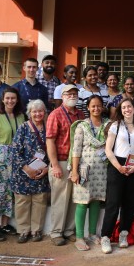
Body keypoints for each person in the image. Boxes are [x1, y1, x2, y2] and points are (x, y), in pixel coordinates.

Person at [69, 95, 110, 251]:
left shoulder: (107, 125)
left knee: (95, 201)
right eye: (93, 106)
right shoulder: (82, 126)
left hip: (101, 170)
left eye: (99, 105)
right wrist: (74, 171)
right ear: (87, 107)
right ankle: (79, 237)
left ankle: (92, 234)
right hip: (85, 169)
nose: (96, 108)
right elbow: (76, 149)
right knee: (82, 202)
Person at [102, 98, 134, 254]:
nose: (127, 109)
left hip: (133, 165)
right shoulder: (115, 125)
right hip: (116, 165)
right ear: (120, 109)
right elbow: (108, 150)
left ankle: (123, 234)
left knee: (130, 202)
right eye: (124, 107)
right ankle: (106, 236)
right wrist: (119, 167)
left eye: (129, 107)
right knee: (113, 202)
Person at [45, 84, 84, 246]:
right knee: (60, 199)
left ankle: (69, 230)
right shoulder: (56, 115)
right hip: (60, 161)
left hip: (76, 162)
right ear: (62, 96)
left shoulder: (80, 114)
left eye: (74, 93)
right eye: (68, 93)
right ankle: (56, 232)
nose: (72, 96)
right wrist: (54, 165)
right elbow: (50, 141)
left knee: (74, 198)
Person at [9, 99, 50, 243]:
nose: (38, 114)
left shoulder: (48, 128)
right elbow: (15, 151)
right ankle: (23, 231)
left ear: (44, 112)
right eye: (34, 111)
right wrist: (26, 168)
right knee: (22, 202)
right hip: (23, 173)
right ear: (29, 113)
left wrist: (47, 168)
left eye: (40, 111)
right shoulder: (23, 128)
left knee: (40, 201)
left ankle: (36, 230)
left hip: (42, 172)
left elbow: (53, 150)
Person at [0, 88, 25, 240]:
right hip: (1, 157)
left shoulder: (21, 116)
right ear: (3, 99)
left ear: (17, 100)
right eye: (7, 98)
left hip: (16, 158)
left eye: (13, 98)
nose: (10, 101)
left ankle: (5, 224)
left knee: (11, 191)